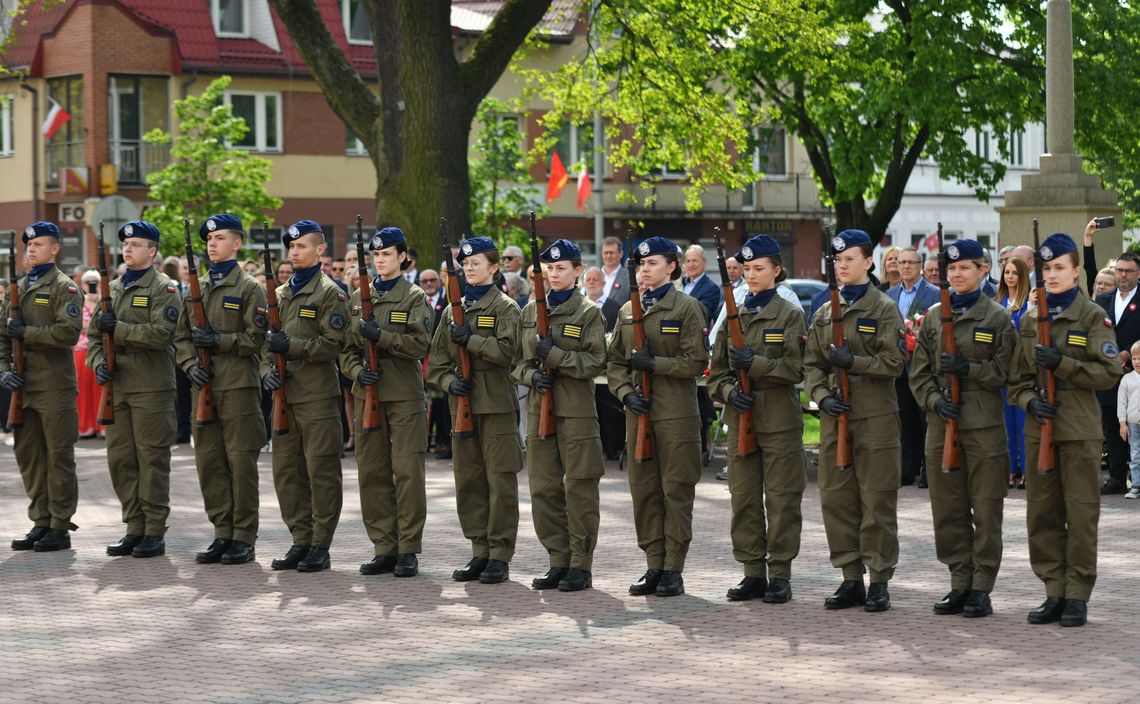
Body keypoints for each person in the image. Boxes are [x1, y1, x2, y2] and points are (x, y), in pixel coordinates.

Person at [1009, 232, 1122, 627]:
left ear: (1076, 272)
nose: (1052, 275)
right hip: (1039, 429)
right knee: (1042, 514)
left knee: (1081, 512)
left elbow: (1109, 372)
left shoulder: (1091, 316)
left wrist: (1064, 365)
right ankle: (1053, 590)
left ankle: (1077, 594)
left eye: (1060, 267)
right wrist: (1029, 401)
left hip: (1077, 429)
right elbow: (1016, 380)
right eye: (1047, 269)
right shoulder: (1029, 319)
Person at [910, 239, 1014, 618]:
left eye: (964, 268)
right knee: (948, 508)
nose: (956, 274)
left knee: (986, 509)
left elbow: (1005, 371)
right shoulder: (934, 316)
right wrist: (935, 401)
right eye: (951, 269)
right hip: (942, 424)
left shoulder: (997, 317)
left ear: (983, 270)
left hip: (983, 425)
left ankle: (981, 587)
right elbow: (919, 373)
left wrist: (969, 369)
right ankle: (959, 581)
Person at [804, 228, 905, 612]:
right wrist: (822, 397)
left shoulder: (883, 309)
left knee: (876, 499)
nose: (842, 266)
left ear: (868, 262)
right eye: (838, 260)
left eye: (850, 259)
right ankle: (850, 577)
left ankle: (878, 579)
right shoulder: (824, 312)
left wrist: (855, 362)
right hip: (836, 419)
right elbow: (811, 365)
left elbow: (894, 363)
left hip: (875, 419)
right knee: (837, 499)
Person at [606, 236, 708, 597]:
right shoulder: (627, 310)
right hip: (639, 415)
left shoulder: (687, 308)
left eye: (652, 263)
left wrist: (655, 364)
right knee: (645, 491)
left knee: (675, 490)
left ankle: (673, 568)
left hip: (675, 414)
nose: (645, 270)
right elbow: (615, 362)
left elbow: (696, 362)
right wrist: (626, 394)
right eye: (641, 264)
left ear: (671, 267)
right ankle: (653, 563)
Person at [708, 234, 807, 603]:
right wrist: (729, 392)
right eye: (747, 268)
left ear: (776, 271)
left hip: (779, 417)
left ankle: (780, 573)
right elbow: (716, 374)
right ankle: (752, 571)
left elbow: (796, 370)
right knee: (744, 498)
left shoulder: (789, 314)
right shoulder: (734, 313)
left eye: (758, 268)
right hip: (742, 417)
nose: (750, 275)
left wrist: (756, 364)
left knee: (782, 499)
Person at [427, 236, 523, 585]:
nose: (469, 269)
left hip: (495, 406)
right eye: (465, 264)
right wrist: (449, 382)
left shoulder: (506, 308)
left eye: (475, 263)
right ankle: (479, 549)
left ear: (494, 267)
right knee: (468, 481)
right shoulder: (452, 311)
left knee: (500, 481)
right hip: (462, 406)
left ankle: (499, 554)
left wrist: (472, 340)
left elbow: (510, 353)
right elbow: (436, 363)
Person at [513, 239, 607, 592]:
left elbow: (595, 361)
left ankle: (580, 564)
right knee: (543, 489)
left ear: (578, 271)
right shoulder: (529, 312)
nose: (554, 274)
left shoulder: (588, 312)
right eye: (550, 268)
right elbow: (516, 362)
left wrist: (555, 357)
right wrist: (530, 375)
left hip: (576, 413)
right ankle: (557, 559)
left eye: (561, 268)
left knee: (580, 488)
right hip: (540, 410)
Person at [175, 213, 267, 565]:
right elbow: (182, 336)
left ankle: (243, 536)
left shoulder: (249, 288)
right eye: (209, 240)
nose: (212, 244)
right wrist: (189, 365)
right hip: (203, 388)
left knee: (241, 463)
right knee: (209, 462)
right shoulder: (196, 288)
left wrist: (220, 341)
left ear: (237, 244)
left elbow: (256, 339)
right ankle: (222, 532)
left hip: (238, 387)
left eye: (220, 238)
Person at [341, 226, 432, 577]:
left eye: (387, 254)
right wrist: (356, 372)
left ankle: (408, 548)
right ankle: (383, 546)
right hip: (368, 395)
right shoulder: (357, 297)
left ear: (402, 257)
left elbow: (420, 345)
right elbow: (346, 350)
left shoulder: (414, 297)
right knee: (372, 471)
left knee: (407, 472)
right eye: (376, 255)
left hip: (403, 395)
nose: (380, 260)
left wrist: (383, 337)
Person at [87, 221, 181, 558]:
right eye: (126, 245)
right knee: (121, 460)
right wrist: (98, 362)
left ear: (152, 251)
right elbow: (95, 336)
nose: (128, 249)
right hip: (118, 387)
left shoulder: (164, 289)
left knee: (151, 459)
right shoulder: (111, 288)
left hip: (151, 387)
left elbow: (162, 334)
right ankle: (134, 526)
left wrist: (120, 329)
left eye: (136, 244)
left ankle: (154, 530)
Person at [260, 220, 349, 573]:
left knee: (321, 471)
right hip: (284, 397)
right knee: (287, 472)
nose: (294, 252)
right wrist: (266, 371)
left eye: (301, 246)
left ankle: (320, 544)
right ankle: (300, 538)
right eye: (291, 247)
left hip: (317, 396)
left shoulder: (331, 293)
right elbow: (265, 345)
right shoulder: (279, 294)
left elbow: (332, 344)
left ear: (319, 250)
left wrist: (292, 346)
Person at [1, 222, 84, 552]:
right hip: (23, 386)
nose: (31, 249)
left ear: (55, 249)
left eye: (38, 244)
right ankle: (41, 520)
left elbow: (68, 333)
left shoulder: (65, 287)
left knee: (58, 456)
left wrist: (27, 333)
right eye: (29, 245)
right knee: (29, 456)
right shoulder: (17, 287)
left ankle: (60, 525)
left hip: (54, 385)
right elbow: (2, 336)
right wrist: (3, 371)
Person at [1093, 228, 1140, 495]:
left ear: (1138, 274)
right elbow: (1097, 331)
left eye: (1128, 271)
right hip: (1111, 370)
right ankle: (1116, 476)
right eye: (1120, 270)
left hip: (1136, 369)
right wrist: (1110, 354)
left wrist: (1130, 353)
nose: (1123, 275)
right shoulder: (1103, 300)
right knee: (1113, 423)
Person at [887, 247, 939, 487]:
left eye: (911, 262)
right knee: (903, 419)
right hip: (898, 367)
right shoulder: (889, 294)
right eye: (902, 262)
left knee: (926, 420)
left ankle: (929, 471)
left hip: (924, 367)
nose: (906, 266)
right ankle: (906, 470)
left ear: (920, 266)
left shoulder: (934, 294)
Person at [998, 256, 1032, 489]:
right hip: (1002, 371)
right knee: (1006, 423)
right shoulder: (997, 302)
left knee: (1023, 423)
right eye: (1007, 272)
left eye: (1014, 273)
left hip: (1022, 371)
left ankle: (1027, 470)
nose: (1010, 277)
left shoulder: (1030, 301)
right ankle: (1011, 469)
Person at [76, 270, 102, 439]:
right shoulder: (78, 301)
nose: (92, 285)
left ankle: (102, 425)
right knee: (83, 390)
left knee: (101, 388)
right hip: (81, 351)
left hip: (101, 350)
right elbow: (79, 324)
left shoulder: (105, 301)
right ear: (82, 284)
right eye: (88, 282)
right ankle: (86, 425)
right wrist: (96, 325)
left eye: (95, 282)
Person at [1117, 340, 1140, 500]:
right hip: (1133, 424)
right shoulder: (1126, 379)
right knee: (1135, 454)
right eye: (1135, 358)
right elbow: (1122, 403)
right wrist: (1122, 424)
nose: (1137, 362)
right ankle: (1136, 485)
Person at [599, 236, 631, 306]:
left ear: (621, 254)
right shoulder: (592, 277)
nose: (608, 256)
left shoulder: (629, 278)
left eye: (611, 253)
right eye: (606, 253)